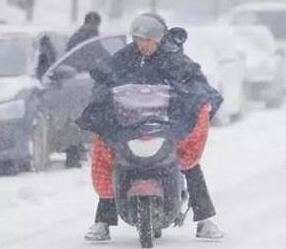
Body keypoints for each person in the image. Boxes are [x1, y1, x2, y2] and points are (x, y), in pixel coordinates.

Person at [79, 13, 225, 241]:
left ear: (160, 39)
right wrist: (102, 98)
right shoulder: (124, 57)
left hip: (167, 124)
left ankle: (204, 219)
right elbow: (106, 81)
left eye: (149, 40)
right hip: (129, 124)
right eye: (139, 39)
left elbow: (195, 82)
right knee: (109, 155)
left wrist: (193, 99)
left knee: (189, 164)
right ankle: (103, 221)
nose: (144, 44)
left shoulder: (175, 59)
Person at [64, 11, 102, 168]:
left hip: (76, 81)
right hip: (83, 82)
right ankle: (75, 153)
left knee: (77, 119)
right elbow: (98, 56)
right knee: (82, 118)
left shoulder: (77, 37)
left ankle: (75, 152)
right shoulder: (90, 36)